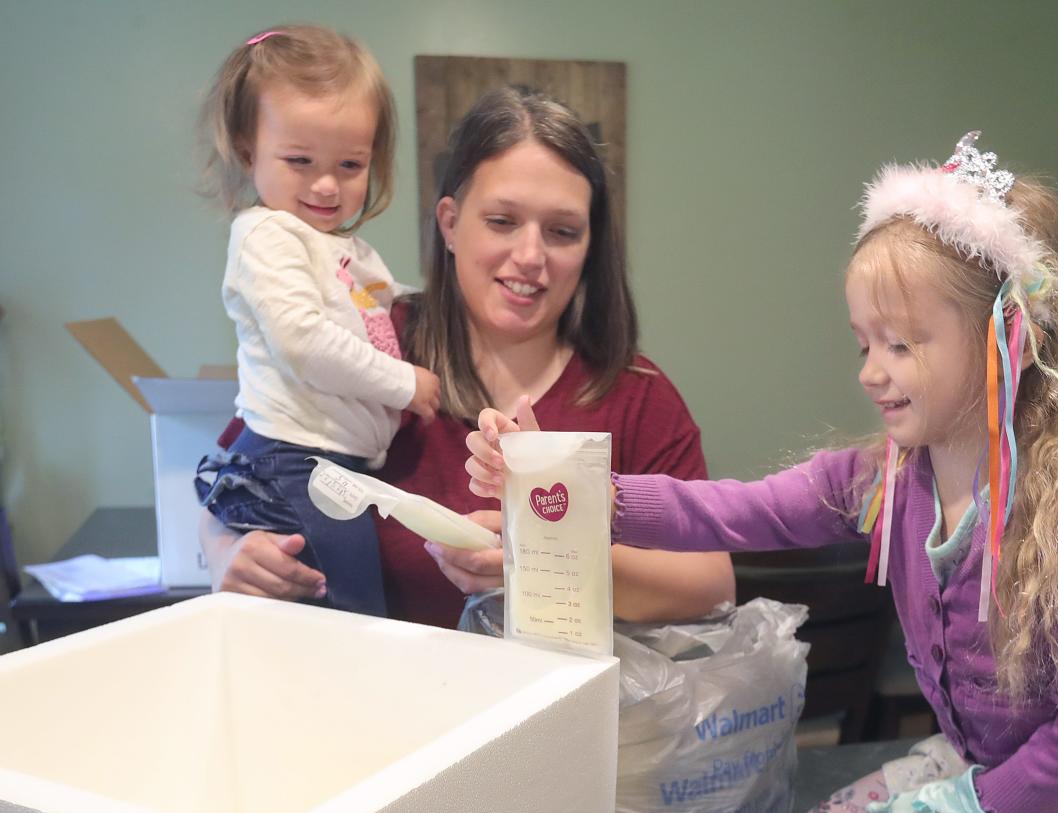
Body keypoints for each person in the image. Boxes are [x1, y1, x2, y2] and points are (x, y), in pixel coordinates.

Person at [468, 132, 1058, 813]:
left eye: (902, 344)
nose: (873, 372)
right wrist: (574, 487)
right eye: (863, 343)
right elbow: (732, 509)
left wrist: (973, 809)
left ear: (1009, 343)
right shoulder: (885, 478)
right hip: (982, 766)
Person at [201, 84, 733, 628]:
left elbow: (710, 586)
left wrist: (551, 562)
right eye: (502, 222)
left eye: (563, 231)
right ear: (451, 223)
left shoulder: (636, 396)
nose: (530, 257)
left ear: (590, 246)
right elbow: (236, 479)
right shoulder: (370, 345)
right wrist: (227, 558)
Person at [194, 25, 442, 617]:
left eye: (350, 164)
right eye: (300, 160)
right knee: (353, 611)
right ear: (248, 151)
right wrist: (407, 385)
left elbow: (395, 301)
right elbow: (302, 341)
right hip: (295, 458)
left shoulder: (343, 248)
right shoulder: (267, 235)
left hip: (325, 459)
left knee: (348, 606)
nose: (327, 185)